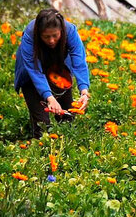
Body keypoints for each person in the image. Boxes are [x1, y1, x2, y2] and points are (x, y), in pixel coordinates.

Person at [14, 9, 91, 139]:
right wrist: (50, 98)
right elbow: (35, 71)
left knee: (67, 117)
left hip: (58, 71)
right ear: (39, 33)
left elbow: (79, 62)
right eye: (46, 36)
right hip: (31, 76)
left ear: (61, 30)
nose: (51, 40)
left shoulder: (70, 31)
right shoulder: (29, 35)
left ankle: (64, 149)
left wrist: (84, 91)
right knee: (42, 125)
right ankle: (40, 150)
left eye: (55, 35)